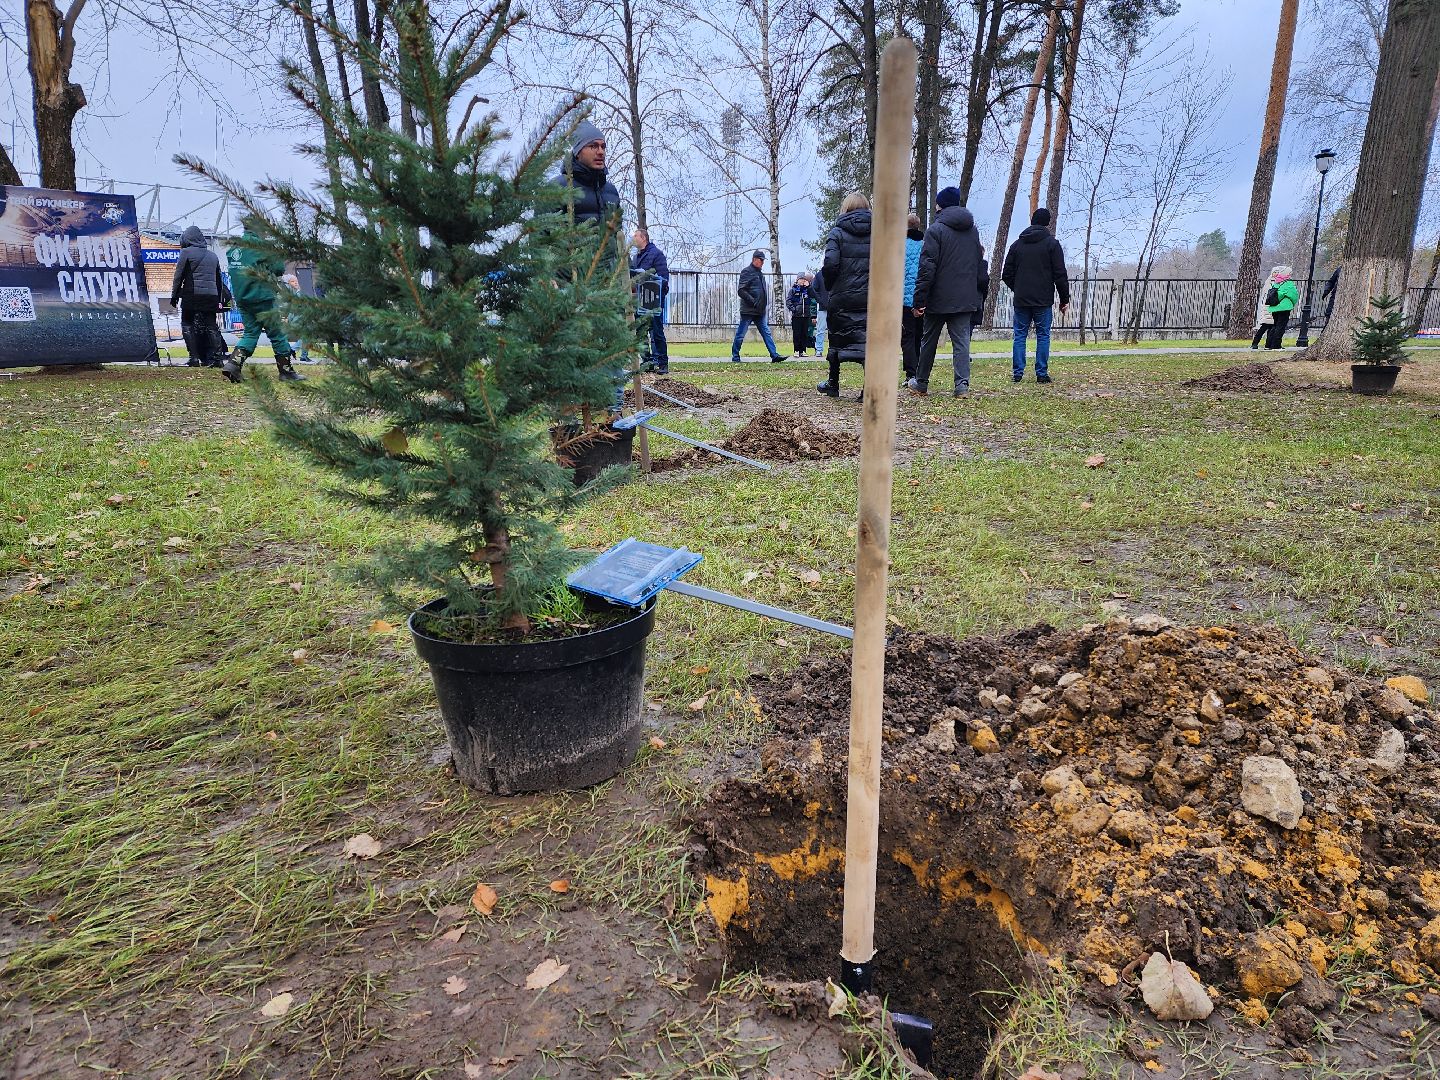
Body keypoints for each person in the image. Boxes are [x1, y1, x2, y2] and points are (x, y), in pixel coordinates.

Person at [909, 188, 985, 397]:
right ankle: (962, 386)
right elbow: (977, 263)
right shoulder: (972, 231)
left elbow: (927, 268)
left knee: (929, 341)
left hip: (938, 297)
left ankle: (921, 382)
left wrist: (919, 300)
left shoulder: (935, 230)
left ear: (940, 206)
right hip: (965, 296)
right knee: (961, 343)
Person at [223, 221, 304, 383]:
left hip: (243, 298)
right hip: (262, 297)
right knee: (277, 334)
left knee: (251, 333)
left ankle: (233, 365)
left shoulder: (234, 249)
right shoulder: (263, 247)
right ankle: (286, 372)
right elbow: (279, 268)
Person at [1002, 207, 1070, 384]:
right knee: (1043, 335)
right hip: (1043, 299)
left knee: (1019, 335)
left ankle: (1017, 373)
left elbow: (1006, 274)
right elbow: (1060, 274)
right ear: (1047, 223)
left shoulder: (1017, 245)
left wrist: (1018, 288)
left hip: (1022, 299)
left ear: (1032, 221)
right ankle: (1041, 373)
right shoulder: (1052, 245)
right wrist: (1064, 300)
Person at [816, 192, 872, 399]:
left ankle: (833, 383)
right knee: (868, 340)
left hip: (843, 294)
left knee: (837, 338)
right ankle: (869, 388)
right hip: (871, 296)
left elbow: (830, 264)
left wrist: (832, 287)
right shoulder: (879, 233)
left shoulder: (837, 233)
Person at [169, 225, 230, 369]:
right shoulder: (213, 255)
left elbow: (179, 275)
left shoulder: (186, 252)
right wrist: (219, 298)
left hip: (192, 294)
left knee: (187, 323)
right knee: (211, 326)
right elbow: (218, 279)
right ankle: (217, 359)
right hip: (211, 296)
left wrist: (174, 295)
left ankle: (194, 358)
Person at [732, 251, 786, 363]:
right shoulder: (747, 271)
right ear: (754, 259)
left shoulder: (760, 273)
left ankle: (774, 355)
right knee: (741, 334)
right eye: (760, 260)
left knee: (766, 333)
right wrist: (753, 301)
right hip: (748, 310)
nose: (762, 262)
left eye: (763, 260)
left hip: (760, 311)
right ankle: (735, 356)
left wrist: (761, 304)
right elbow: (741, 290)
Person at [630, 228, 669, 374]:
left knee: (656, 331)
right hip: (640, 297)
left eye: (635, 236)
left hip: (654, 297)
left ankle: (662, 362)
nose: (633, 238)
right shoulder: (636, 257)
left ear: (643, 238)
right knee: (641, 331)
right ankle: (647, 361)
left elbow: (664, 279)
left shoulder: (656, 254)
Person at [902, 213, 924, 382]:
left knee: (907, 336)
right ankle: (919, 370)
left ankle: (911, 372)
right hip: (922, 297)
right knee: (919, 335)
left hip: (905, 299)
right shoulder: (926, 245)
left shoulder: (900, 245)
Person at [1264, 265, 1299, 350]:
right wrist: (1293, 303)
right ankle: (1276, 345)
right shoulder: (1288, 283)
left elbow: (1276, 294)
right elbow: (1294, 295)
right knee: (1281, 326)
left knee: (1274, 326)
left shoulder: (1276, 282)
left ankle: (1268, 345)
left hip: (1274, 307)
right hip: (1284, 307)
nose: (1290, 275)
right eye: (1290, 273)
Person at [786, 273, 818, 356]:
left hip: (806, 315)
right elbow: (788, 301)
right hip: (797, 315)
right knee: (797, 334)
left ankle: (803, 351)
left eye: (804, 279)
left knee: (804, 334)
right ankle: (796, 350)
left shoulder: (807, 290)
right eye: (801, 279)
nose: (803, 281)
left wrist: (809, 286)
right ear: (797, 280)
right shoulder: (793, 290)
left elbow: (814, 295)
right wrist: (794, 309)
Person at [1250, 267, 1280, 349]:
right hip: (1268, 308)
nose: (1276, 274)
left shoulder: (1279, 282)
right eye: (1275, 272)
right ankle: (1255, 343)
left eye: (1278, 272)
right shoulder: (1269, 282)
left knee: (1271, 329)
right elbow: (1268, 294)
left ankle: (1268, 345)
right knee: (1264, 327)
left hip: (1275, 308)